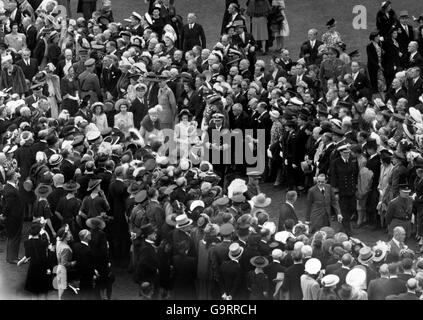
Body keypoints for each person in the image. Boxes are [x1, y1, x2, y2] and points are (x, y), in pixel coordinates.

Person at [17, 222, 50, 299]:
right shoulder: (43, 242)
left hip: (33, 267)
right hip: (43, 266)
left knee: (33, 290)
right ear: (39, 232)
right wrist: (43, 232)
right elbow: (46, 242)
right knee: (42, 290)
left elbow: (27, 256)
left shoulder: (27, 242)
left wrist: (20, 262)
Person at [1, 170, 24, 264]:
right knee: (14, 237)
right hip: (13, 218)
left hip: (14, 217)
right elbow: (8, 206)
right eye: (16, 175)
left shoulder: (9, 187)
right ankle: (12, 258)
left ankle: (12, 257)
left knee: (13, 237)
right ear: (13, 177)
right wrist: (4, 215)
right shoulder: (10, 190)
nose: (18, 175)